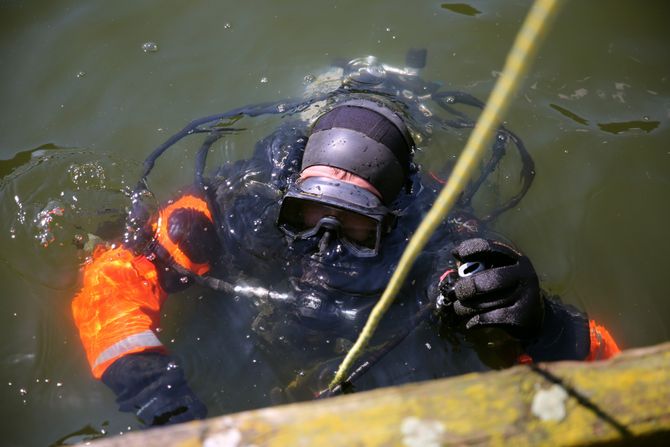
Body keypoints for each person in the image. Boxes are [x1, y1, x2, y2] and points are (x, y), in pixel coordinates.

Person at [71, 66, 620, 426]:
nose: (323, 243)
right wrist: (164, 406)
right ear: (288, 201)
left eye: (354, 225)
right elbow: (109, 281)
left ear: (390, 220)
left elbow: (612, 375)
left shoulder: (439, 241)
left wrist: (545, 326)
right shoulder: (235, 208)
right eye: (307, 216)